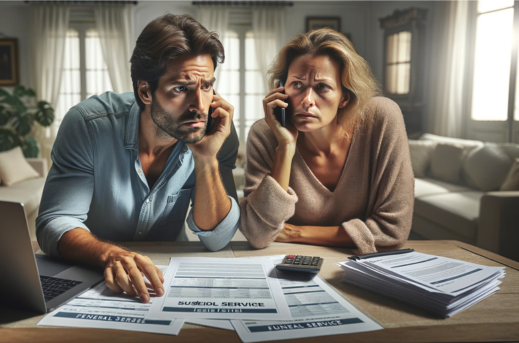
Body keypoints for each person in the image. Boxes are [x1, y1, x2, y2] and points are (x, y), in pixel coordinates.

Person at [36, 14, 240, 303]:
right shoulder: (88, 125)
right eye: (181, 89)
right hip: (94, 274)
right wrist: (109, 254)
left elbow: (217, 238)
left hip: (169, 279)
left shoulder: (218, 131)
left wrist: (206, 159)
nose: (200, 106)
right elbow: (55, 221)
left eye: (206, 86)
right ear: (145, 91)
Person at [239, 28, 414, 254]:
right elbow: (257, 234)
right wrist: (285, 147)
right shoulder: (265, 134)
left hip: (360, 267)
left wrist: (295, 232)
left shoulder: (381, 119)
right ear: (281, 90)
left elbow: (392, 233)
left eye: (322, 87)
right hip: (289, 264)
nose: (307, 100)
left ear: (344, 97)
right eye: (297, 85)